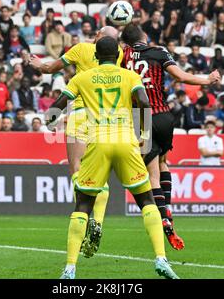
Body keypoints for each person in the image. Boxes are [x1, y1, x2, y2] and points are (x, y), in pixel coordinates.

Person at [46, 36, 178, 280]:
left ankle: (70, 268)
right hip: (127, 142)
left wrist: (49, 119)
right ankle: (161, 258)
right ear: (118, 56)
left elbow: (57, 107)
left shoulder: (81, 78)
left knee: (83, 204)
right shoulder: (130, 76)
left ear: (95, 56)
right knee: (147, 200)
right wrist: (144, 134)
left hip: (98, 143)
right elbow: (145, 102)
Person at [121, 23, 220, 249]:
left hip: (140, 119)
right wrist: (208, 79)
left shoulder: (123, 56)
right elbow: (181, 76)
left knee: (152, 175)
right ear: (144, 36)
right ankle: (168, 209)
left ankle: (164, 217)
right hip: (164, 115)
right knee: (165, 162)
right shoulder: (160, 51)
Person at [30, 26, 123, 258]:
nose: (94, 34)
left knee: (77, 169)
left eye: (98, 32)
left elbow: (50, 69)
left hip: (81, 113)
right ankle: (98, 221)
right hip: (107, 119)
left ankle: (84, 213)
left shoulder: (81, 49)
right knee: (101, 174)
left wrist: (37, 64)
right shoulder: (120, 55)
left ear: (100, 38)